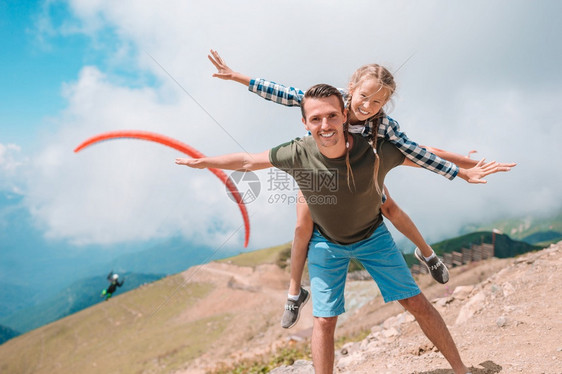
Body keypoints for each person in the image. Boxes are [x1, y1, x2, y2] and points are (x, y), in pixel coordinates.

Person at [176, 84, 512, 373]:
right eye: (316, 118)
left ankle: (460, 369)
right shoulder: (297, 152)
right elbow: (248, 161)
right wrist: (205, 162)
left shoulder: (375, 150)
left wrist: (468, 165)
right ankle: (296, 295)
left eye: (332, 116)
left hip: (374, 238)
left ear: (345, 115)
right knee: (324, 320)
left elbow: (424, 154)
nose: (325, 125)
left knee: (417, 304)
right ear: (305, 122)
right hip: (327, 245)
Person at [207, 50, 516, 329]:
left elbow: (417, 150)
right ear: (351, 89)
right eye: (364, 97)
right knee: (303, 226)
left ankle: (427, 254)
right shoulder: (334, 102)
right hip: (320, 169)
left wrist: (461, 168)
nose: (367, 106)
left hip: (362, 174)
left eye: (377, 101)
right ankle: (294, 293)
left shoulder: (384, 125)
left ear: (385, 103)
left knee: (389, 208)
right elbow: (285, 94)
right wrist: (236, 76)